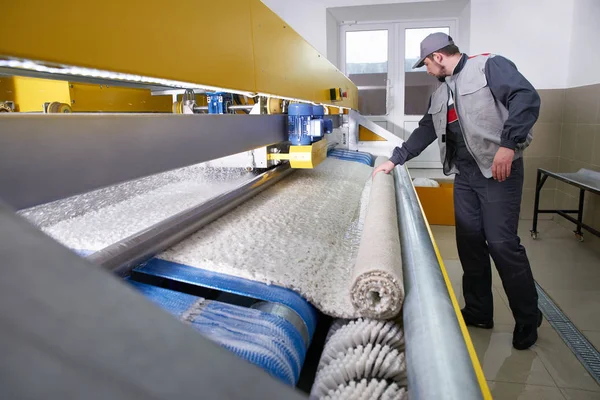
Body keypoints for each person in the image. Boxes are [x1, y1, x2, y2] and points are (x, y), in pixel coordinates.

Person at [373, 33, 542, 350]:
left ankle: (528, 318)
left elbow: (526, 98)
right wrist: (395, 161)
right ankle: (479, 311)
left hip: (498, 170)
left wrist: (509, 145)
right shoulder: (440, 93)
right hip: (465, 175)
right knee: (469, 241)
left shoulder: (489, 67)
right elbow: (426, 129)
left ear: (437, 57)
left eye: (425, 63)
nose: (425, 70)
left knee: (503, 244)